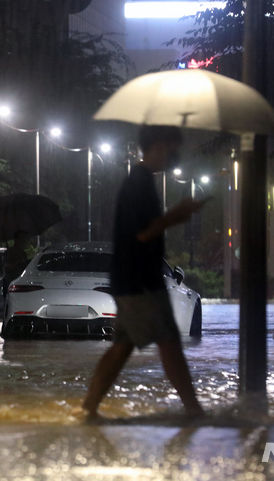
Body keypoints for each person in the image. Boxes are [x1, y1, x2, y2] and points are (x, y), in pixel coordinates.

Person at [81, 125, 206, 419]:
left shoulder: (141, 181)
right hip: (141, 282)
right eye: (173, 148)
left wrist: (175, 215)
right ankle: (195, 412)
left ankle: (89, 408)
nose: (175, 155)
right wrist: (175, 216)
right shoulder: (139, 183)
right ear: (160, 146)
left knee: (122, 347)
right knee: (169, 343)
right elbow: (141, 234)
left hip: (132, 279)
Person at [3, 230, 32, 295]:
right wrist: (18, 262)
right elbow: (7, 268)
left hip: (22, 282)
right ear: (16, 240)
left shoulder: (23, 253)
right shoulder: (9, 253)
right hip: (11, 282)